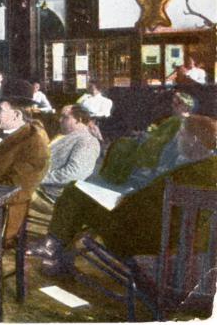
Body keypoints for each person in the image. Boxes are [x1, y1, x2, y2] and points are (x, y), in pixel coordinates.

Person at [28, 115, 217, 276]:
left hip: (142, 238)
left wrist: (124, 199)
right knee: (84, 198)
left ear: (193, 140)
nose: (176, 139)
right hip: (173, 239)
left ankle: (53, 246)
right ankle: (58, 253)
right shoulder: (206, 168)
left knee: (76, 191)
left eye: (181, 135)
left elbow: (151, 203)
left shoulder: (187, 173)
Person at [0, 79, 50, 244]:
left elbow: (15, 191)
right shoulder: (9, 135)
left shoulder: (34, 142)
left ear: (17, 114)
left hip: (2, 215)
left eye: (0, 109)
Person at [99, 90, 195, 185]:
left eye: (177, 103)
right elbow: (161, 135)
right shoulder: (182, 120)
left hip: (155, 151)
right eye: (173, 103)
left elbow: (162, 141)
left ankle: (115, 177)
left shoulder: (178, 121)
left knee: (121, 145)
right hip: (159, 148)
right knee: (123, 142)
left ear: (185, 106)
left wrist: (143, 136)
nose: (173, 105)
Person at [32, 104, 101, 213]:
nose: (60, 120)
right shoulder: (67, 136)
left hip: (52, 194)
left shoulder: (87, 141)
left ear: (79, 120)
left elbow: (75, 174)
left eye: (65, 117)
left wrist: (36, 177)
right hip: (40, 186)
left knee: (9, 188)